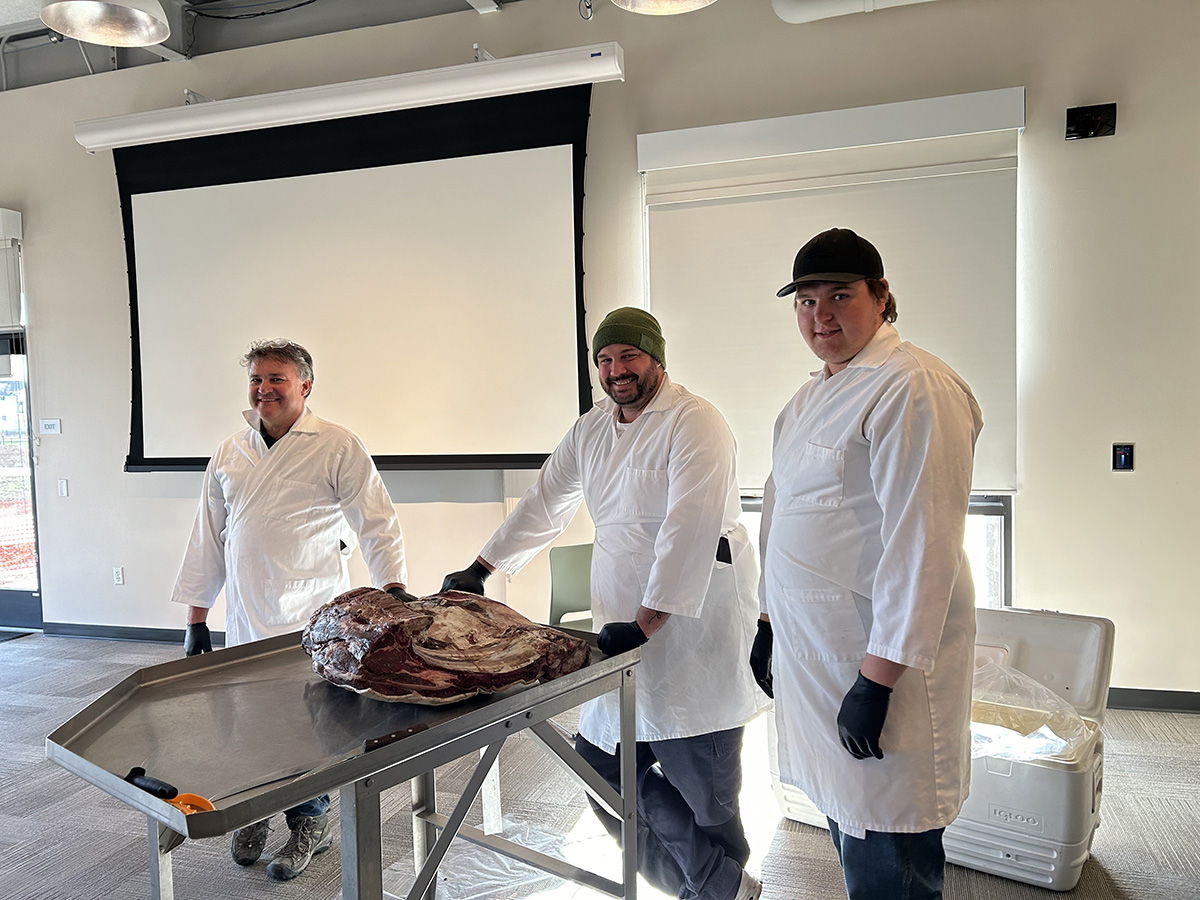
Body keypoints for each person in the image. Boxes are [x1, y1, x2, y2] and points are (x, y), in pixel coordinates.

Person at [442, 308, 768, 900]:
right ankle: (719, 888)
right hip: (619, 618)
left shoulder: (696, 423)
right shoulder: (593, 427)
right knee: (598, 768)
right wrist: (482, 568)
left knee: (709, 800)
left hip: (691, 632)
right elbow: (546, 499)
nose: (617, 370)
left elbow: (688, 528)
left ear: (657, 360)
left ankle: (715, 886)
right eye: (606, 360)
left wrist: (647, 623)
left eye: (629, 356)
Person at [751, 228, 983, 900]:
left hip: (878, 660)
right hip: (818, 653)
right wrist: (768, 621)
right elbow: (782, 516)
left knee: (890, 846)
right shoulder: (810, 398)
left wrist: (876, 681)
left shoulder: (913, 386)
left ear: (882, 297)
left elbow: (924, 542)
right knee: (851, 827)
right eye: (805, 300)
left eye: (840, 296)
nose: (820, 315)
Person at [170, 338, 415, 883]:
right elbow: (208, 538)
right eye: (257, 379)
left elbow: (376, 521)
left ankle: (311, 822)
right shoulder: (230, 450)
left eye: (276, 379)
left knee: (312, 725)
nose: (264, 390)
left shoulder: (336, 445)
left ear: (305, 385)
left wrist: (393, 590)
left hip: (315, 616)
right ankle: (255, 812)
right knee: (250, 724)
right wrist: (196, 619)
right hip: (247, 616)